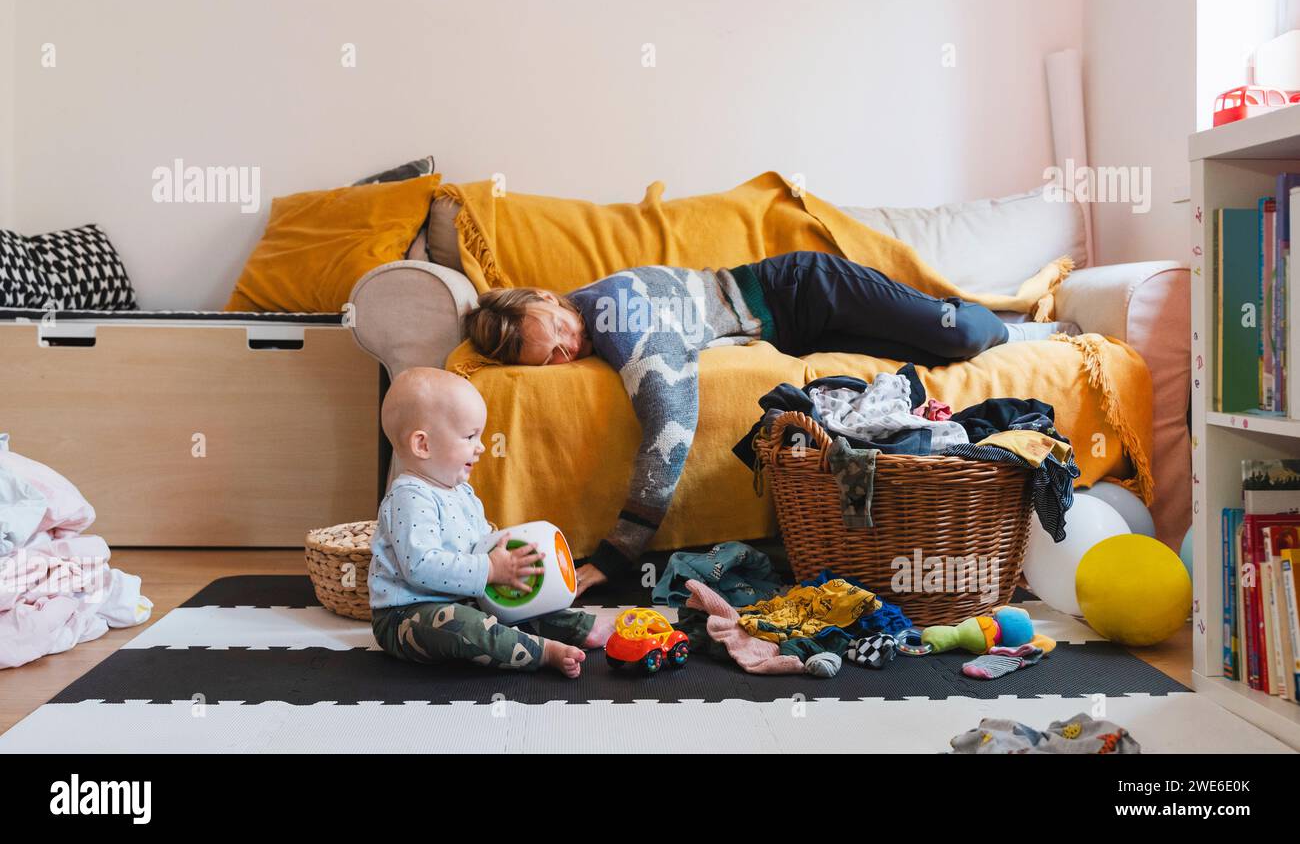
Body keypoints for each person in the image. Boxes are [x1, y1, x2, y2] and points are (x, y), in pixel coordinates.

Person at [464, 251, 1076, 595]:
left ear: (548, 298)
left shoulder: (612, 310)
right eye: (549, 361)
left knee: (960, 332)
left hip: (800, 290)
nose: (567, 355)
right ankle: (998, 317)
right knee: (939, 348)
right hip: (788, 326)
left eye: (562, 336)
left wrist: (620, 554)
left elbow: (671, 422)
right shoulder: (591, 316)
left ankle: (1030, 324)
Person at [368, 366, 614, 677]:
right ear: (423, 445)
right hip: (407, 616)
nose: (481, 446)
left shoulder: (462, 492)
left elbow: (482, 543)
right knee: (465, 627)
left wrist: (511, 561)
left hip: (467, 598)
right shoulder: (410, 497)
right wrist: (491, 569)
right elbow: (420, 566)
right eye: (470, 436)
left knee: (519, 609)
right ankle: (541, 652)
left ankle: (582, 627)